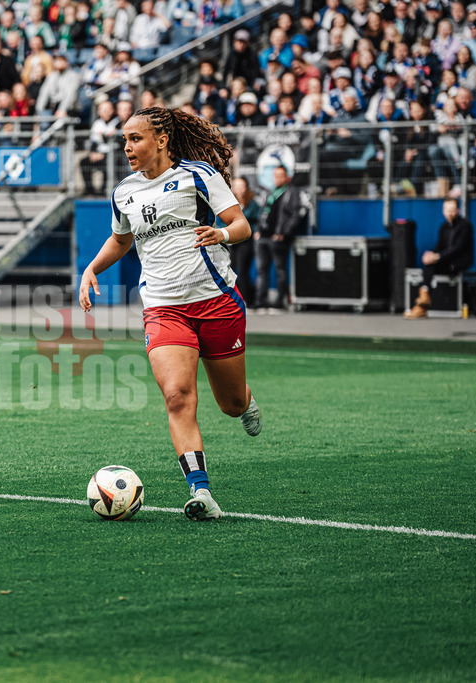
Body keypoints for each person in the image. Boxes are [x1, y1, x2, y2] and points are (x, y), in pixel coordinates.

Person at [78, 106, 262, 522]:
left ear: (161, 140)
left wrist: (221, 233)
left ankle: (246, 400)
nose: (127, 147)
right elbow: (121, 240)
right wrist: (91, 268)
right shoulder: (124, 191)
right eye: (124, 140)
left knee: (230, 404)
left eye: (135, 138)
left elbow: (242, 225)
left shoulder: (199, 175)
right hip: (162, 307)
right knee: (177, 395)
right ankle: (201, 492)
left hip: (216, 301)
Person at [405, 198, 475, 318]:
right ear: (443, 211)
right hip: (445, 261)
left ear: (458, 210)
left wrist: (436, 257)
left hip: (459, 262)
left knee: (433, 263)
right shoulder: (443, 227)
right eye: (447, 210)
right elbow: (439, 247)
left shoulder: (465, 225)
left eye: (452, 210)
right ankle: (424, 297)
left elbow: (458, 248)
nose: (450, 213)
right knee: (428, 264)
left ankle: (422, 304)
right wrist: (431, 255)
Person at [255, 165, 304, 313]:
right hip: (263, 237)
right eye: (275, 175)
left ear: (287, 177)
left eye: (280, 175)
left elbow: (296, 215)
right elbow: (264, 212)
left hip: (278, 239)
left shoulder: (291, 192)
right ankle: (260, 300)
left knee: (280, 270)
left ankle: (279, 301)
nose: (277, 178)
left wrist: (284, 233)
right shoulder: (271, 191)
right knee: (261, 270)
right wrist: (258, 231)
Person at [230, 176, 260, 306]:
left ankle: (245, 299)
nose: (239, 189)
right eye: (236, 186)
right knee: (230, 270)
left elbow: (255, 222)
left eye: (241, 186)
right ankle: (231, 300)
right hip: (231, 241)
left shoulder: (253, 203)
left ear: (246, 187)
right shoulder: (229, 202)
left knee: (243, 270)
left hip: (246, 241)